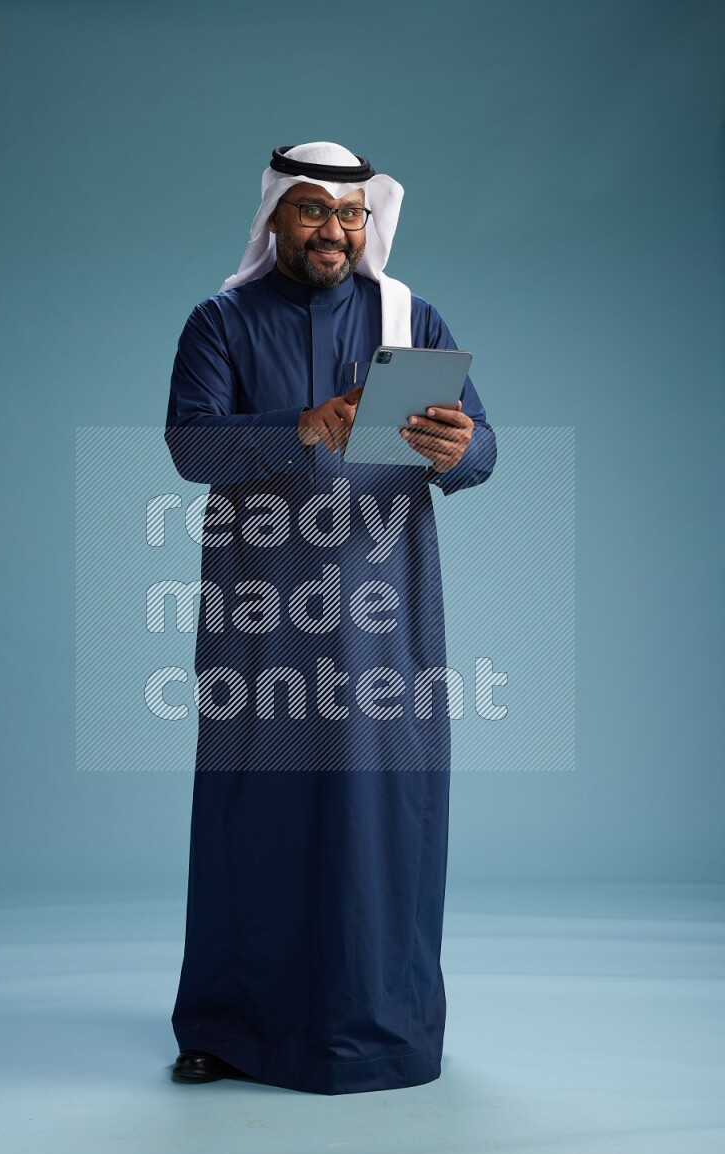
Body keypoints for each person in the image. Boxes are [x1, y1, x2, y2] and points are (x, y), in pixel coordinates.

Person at [164, 142, 496, 1095]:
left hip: (385, 614)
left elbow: (481, 449)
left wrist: (461, 449)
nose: (334, 231)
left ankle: (381, 1028)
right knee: (253, 812)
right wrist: (300, 425)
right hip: (261, 610)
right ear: (274, 216)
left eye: (350, 214)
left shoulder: (410, 318)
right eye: (312, 210)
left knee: (382, 816)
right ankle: (229, 1027)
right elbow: (190, 447)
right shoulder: (221, 322)